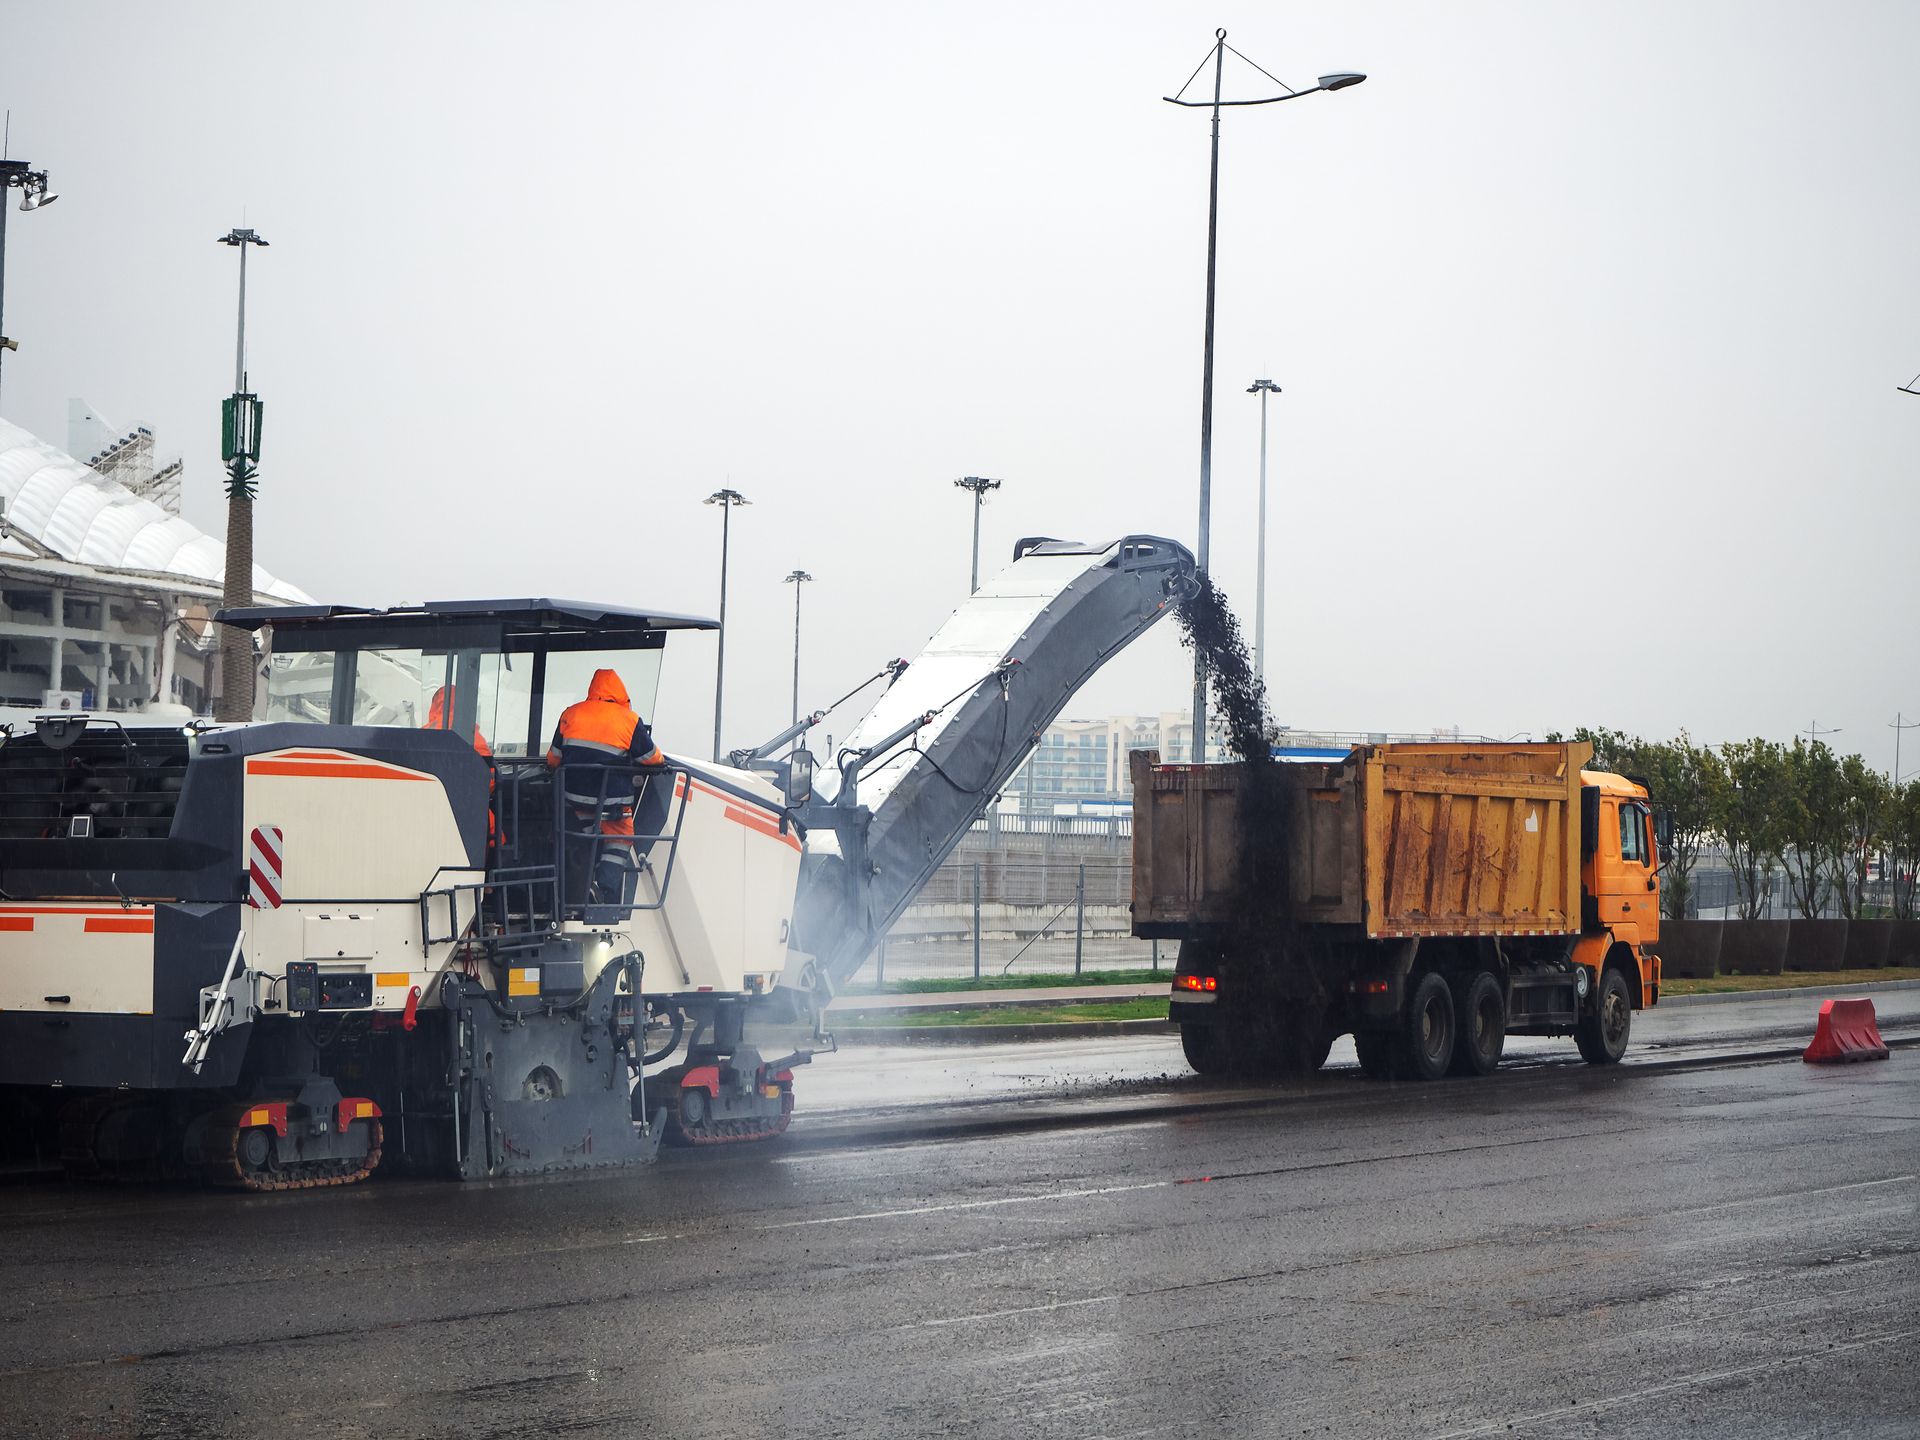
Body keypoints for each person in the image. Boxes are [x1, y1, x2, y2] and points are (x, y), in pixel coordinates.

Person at [544, 669, 667, 905]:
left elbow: (553, 759)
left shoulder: (571, 714)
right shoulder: (628, 720)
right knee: (620, 837)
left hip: (575, 799)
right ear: (621, 693)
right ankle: (603, 887)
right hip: (611, 801)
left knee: (592, 836)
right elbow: (652, 758)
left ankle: (585, 883)